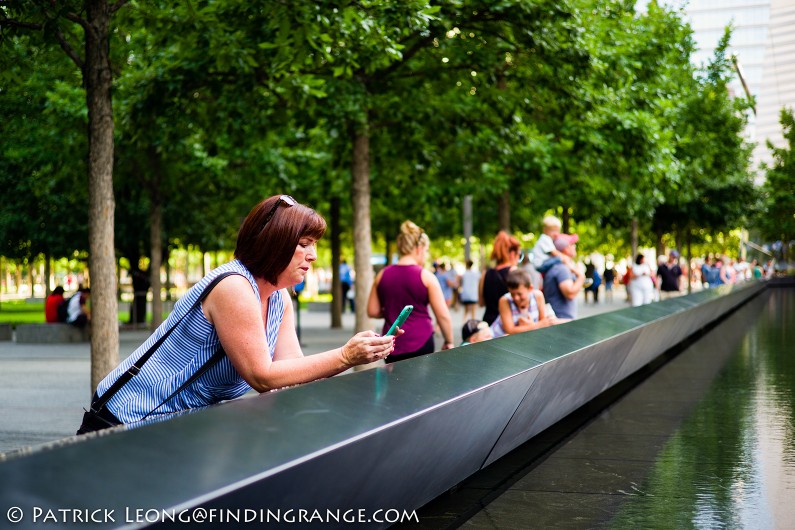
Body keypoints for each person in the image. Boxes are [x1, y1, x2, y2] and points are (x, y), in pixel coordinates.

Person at [79, 196, 396, 434]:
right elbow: (263, 376)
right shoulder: (234, 287)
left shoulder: (278, 298)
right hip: (126, 420)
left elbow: (291, 376)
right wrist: (344, 357)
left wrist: (360, 364)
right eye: (303, 244)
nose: (313, 255)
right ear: (275, 243)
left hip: (178, 426)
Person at [368, 220, 455, 362]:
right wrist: (449, 341)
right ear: (419, 249)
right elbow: (443, 316)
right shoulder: (426, 277)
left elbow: (372, 311)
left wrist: (392, 311)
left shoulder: (382, 275)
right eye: (426, 251)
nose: (425, 256)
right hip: (421, 342)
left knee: (395, 383)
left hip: (391, 345)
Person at [491, 268, 555, 338]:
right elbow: (510, 330)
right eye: (512, 294)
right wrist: (536, 325)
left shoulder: (538, 296)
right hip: (498, 337)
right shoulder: (505, 300)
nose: (516, 298)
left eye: (519, 294)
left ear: (530, 288)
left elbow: (543, 321)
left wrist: (532, 325)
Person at [480, 231, 523, 325]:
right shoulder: (514, 271)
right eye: (519, 255)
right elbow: (523, 301)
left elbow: (481, 302)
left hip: (489, 323)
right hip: (508, 324)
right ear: (512, 254)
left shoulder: (485, 274)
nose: (519, 259)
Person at [543, 234, 585, 321]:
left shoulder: (558, 266)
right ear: (565, 249)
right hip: (562, 320)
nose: (574, 246)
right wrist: (581, 277)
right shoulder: (561, 268)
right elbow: (570, 293)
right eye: (572, 244)